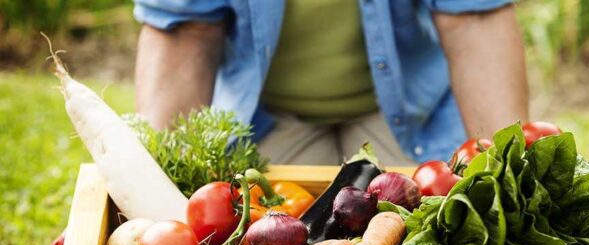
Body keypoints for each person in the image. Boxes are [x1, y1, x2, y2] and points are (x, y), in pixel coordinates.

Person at [134, 0, 529, 165]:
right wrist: (155, 185)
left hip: (410, 112)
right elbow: (186, 30)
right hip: (266, 117)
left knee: (445, 241)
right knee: (257, 244)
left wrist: (510, 172)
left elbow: (472, 19)